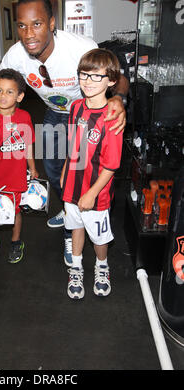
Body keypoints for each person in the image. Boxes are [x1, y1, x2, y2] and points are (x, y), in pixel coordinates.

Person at [0, 0, 129, 264]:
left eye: (36, 24)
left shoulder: (79, 47)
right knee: (53, 169)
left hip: (83, 115)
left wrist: (119, 99)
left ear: (51, 24)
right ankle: (68, 207)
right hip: (53, 113)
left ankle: (75, 223)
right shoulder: (16, 55)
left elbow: (116, 77)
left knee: (81, 168)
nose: (28, 34)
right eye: (22, 26)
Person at [60, 48, 123, 300]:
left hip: (96, 194)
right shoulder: (75, 107)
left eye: (96, 76)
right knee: (75, 227)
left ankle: (101, 266)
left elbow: (110, 166)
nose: (88, 81)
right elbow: (73, 145)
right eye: (83, 74)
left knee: (98, 236)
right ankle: (75, 268)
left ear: (111, 80)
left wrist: (91, 193)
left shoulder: (112, 117)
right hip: (71, 187)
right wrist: (65, 170)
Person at [0, 68, 38, 264]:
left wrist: (33, 167)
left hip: (16, 176)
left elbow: (29, 144)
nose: (3, 95)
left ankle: (15, 241)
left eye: (9, 91)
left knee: (15, 211)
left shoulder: (25, 118)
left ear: (20, 96)